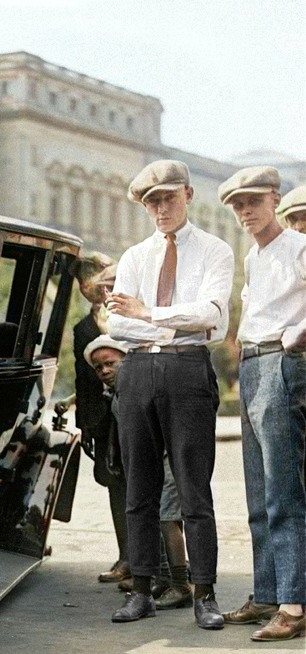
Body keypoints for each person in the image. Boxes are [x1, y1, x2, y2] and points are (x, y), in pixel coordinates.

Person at [106, 159, 234, 629]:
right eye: (151, 202)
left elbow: (210, 314)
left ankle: (205, 593)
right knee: (139, 486)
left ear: (187, 195)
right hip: (137, 369)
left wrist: (148, 311)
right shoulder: (136, 256)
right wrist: (158, 314)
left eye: (167, 198)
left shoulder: (215, 251)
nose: (160, 209)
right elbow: (116, 322)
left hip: (187, 368)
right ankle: (142, 590)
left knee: (193, 487)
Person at [218, 167, 306, 641]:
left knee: (282, 490)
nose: (246, 212)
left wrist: (295, 338)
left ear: (274, 199)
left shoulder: (299, 246)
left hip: (281, 361)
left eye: (253, 202)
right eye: (238, 206)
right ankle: (268, 593)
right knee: (257, 489)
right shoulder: (254, 256)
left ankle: (294, 605)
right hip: (253, 363)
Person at [84, 335, 192, 610]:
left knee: (168, 519)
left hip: (168, 461)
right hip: (151, 463)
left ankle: (181, 585)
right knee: (154, 519)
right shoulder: (118, 395)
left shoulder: (142, 387)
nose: (105, 371)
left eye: (110, 363)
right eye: (99, 368)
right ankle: (165, 578)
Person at [67, 252, 128, 583]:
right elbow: (82, 378)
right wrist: (86, 426)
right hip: (102, 423)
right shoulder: (82, 328)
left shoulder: (126, 318)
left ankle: (151, 559)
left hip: (132, 415)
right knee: (115, 487)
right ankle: (126, 557)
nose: (85, 286)